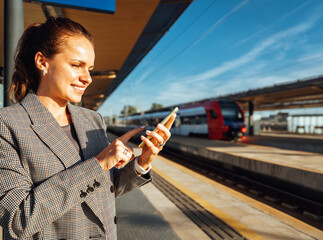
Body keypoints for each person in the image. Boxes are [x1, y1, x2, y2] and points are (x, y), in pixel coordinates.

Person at [0, 17, 175, 240]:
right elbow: (17, 219)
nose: (88, 78)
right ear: (42, 62)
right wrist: (100, 163)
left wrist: (141, 163)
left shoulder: (92, 120)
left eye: (90, 69)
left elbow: (101, 190)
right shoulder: (8, 125)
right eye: (76, 65)